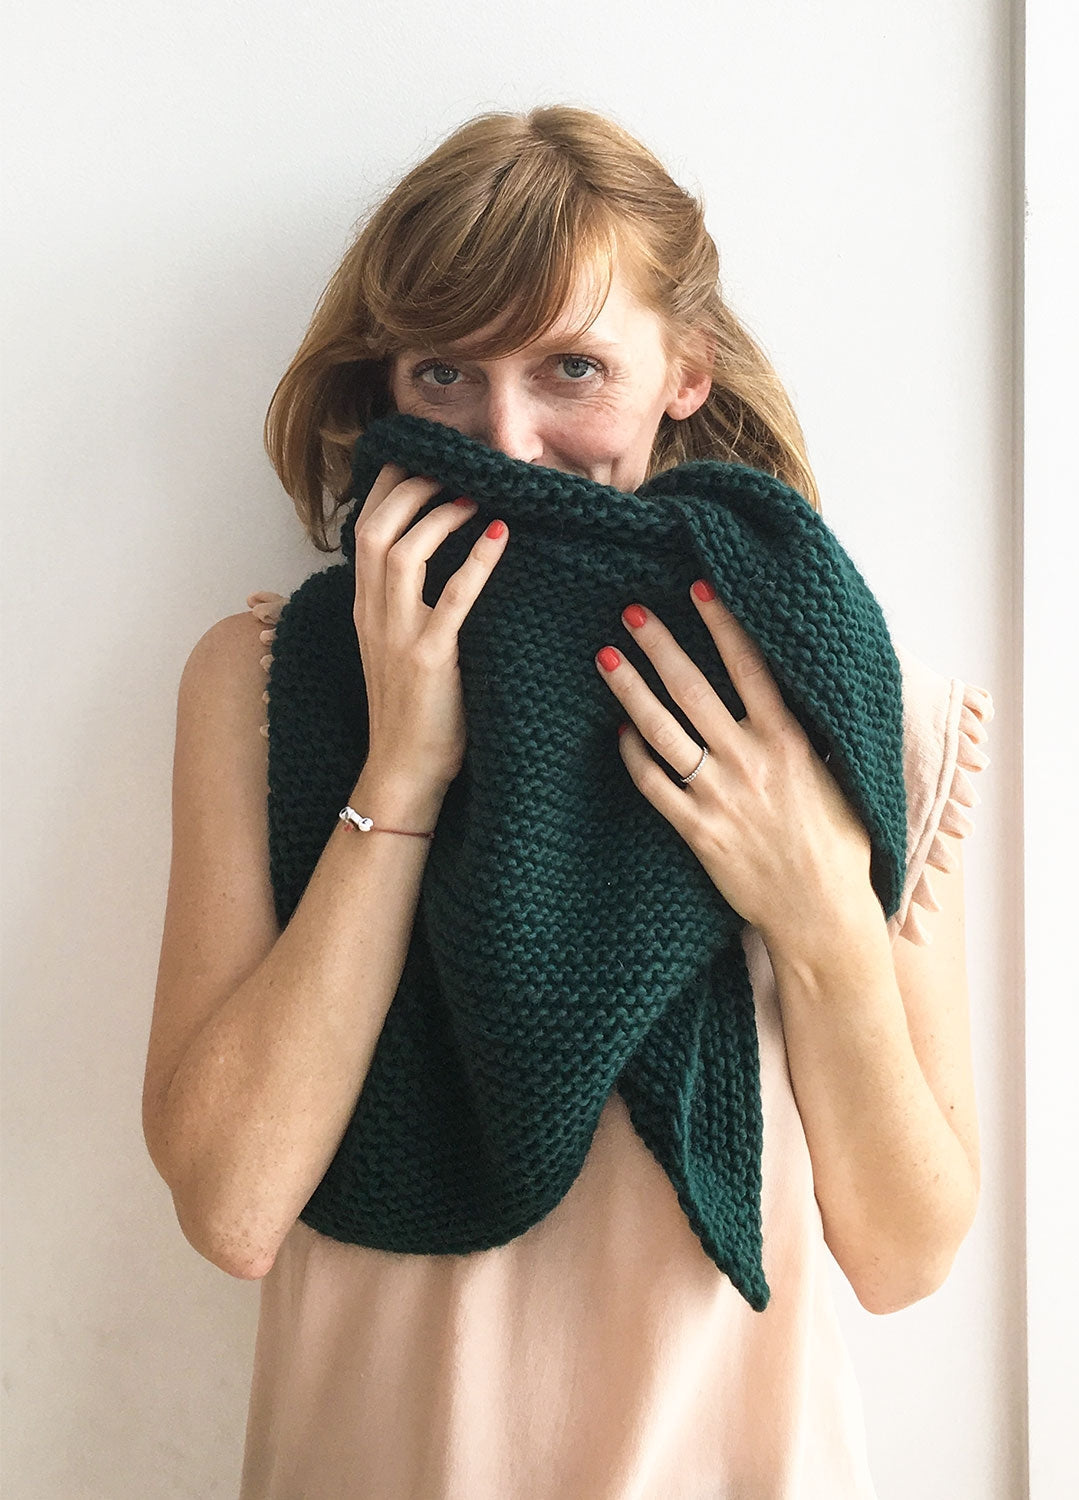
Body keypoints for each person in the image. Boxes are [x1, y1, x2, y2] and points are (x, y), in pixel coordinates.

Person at [142, 106, 994, 1498]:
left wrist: (818, 908)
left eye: (572, 368)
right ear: (385, 384)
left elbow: (906, 1256)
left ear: (683, 371)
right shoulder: (269, 686)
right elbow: (232, 1207)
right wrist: (400, 777)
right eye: (445, 373)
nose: (509, 439)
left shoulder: (850, 709)